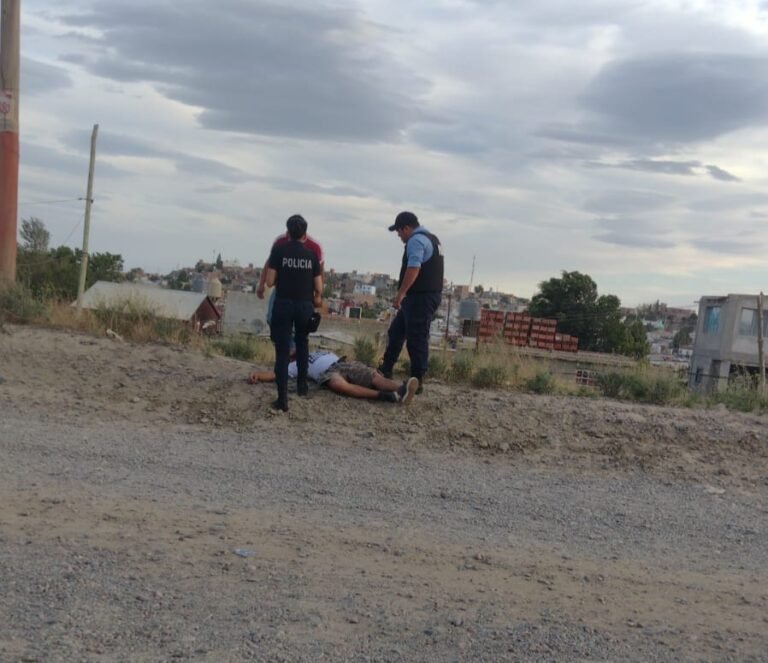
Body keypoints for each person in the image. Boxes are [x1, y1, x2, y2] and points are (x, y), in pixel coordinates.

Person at [378, 211, 444, 392]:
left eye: (399, 232)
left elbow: (414, 268)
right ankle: (386, 369)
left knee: (417, 339)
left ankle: (417, 380)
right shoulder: (432, 239)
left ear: (406, 228)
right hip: (423, 296)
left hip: (420, 297)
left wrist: (400, 294)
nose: (399, 236)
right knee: (396, 331)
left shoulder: (416, 241)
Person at [265, 215, 323, 411]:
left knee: (282, 350)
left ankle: (282, 400)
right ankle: (302, 386)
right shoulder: (312, 255)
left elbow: (270, 281)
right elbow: (319, 287)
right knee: (302, 343)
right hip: (304, 306)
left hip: (283, 304)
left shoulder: (279, 250)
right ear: (304, 233)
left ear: (288, 232)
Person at [248, 350, 419, 405]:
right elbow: (275, 374)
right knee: (338, 384)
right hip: (328, 373)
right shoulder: (292, 366)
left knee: (373, 376)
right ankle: (385, 396)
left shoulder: (313, 349)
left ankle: (402, 388)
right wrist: (258, 375)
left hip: (342, 363)